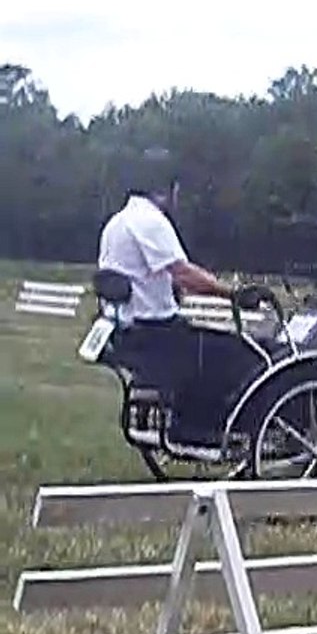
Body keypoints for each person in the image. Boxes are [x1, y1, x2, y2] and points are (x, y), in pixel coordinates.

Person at [97, 147, 266, 445]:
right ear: (167, 189)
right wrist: (233, 294)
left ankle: (194, 421)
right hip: (157, 335)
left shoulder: (117, 223)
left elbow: (147, 276)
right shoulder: (150, 221)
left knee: (210, 344)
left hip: (126, 331)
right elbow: (184, 273)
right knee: (240, 352)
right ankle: (204, 427)